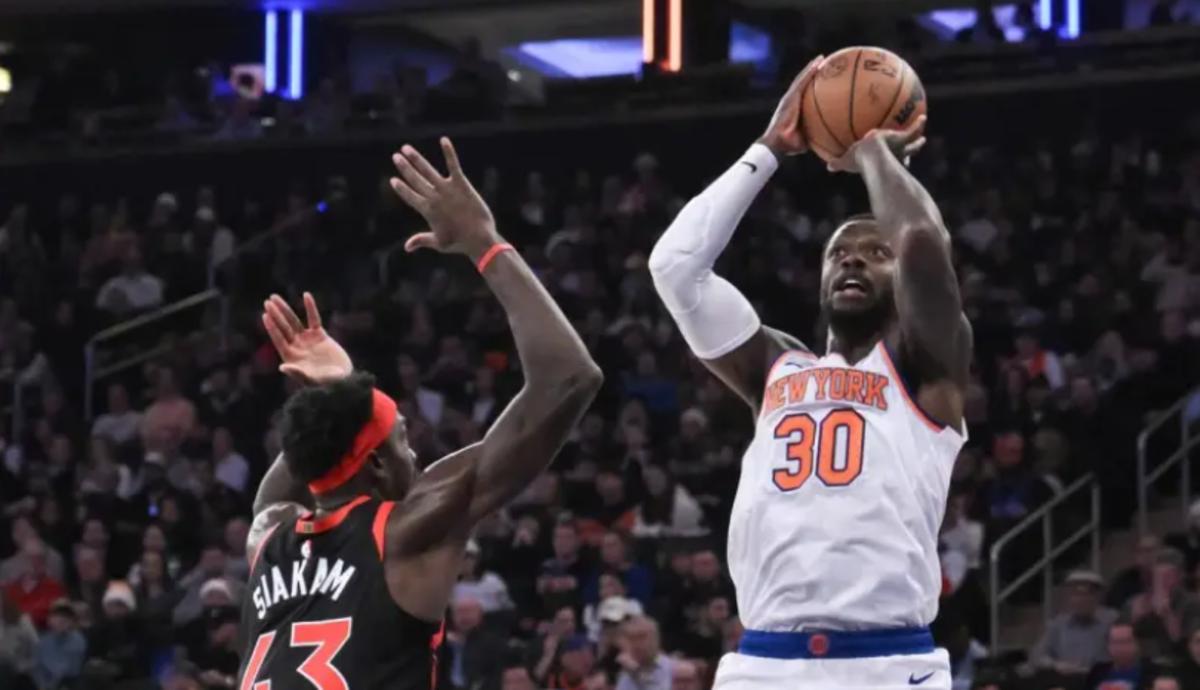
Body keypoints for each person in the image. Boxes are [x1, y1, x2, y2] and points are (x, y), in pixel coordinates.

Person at [239, 137, 603, 690]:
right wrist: (485, 241)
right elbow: (570, 378)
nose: (414, 452)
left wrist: (339, 392)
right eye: (402, 440)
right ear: (378, 467)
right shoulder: (408, 531)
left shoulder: (268, 538)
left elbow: (293, 478)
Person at [649, 56, 961, 689]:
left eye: (876, 253)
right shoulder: (773, 367)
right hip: (764, 662)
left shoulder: (927, 364)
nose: (853, 262)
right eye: (838, 253)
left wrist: (871, 150)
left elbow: (924, 244)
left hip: (888, 661)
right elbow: (675, 268)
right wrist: (769, 148)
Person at [1032, 570, 1118, 681]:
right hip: (1067, 682)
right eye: (1075, 594)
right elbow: (1037, 657)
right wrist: (1056, 665)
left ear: (1098, 596)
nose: (1080, 599)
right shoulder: (1058, 624)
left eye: (1086, 594)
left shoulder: (1112, 620)